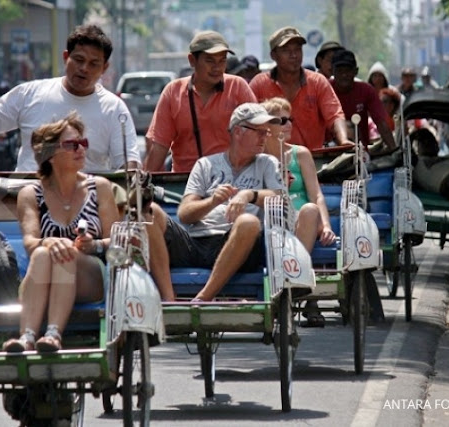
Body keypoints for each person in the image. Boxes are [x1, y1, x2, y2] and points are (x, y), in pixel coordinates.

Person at [0, 24, 141, 172]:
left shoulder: (115, 109)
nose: (84, 69)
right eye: (78, 59)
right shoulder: (30, 93)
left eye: (93, 64)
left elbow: (128, 163)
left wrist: (134, 179)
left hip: (87, 211)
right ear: (66, 58)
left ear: (104, 68)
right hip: (25, 200)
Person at [3, 113, 124, 352]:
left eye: (83, 143)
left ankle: (53, 334)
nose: (81, 149)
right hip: (43, 274)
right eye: (71, 145)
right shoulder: (31, 193)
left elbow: (116, 238)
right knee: (40, 253)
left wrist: (96, 244)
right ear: (49, 154)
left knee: (64, 251)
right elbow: (30, 241)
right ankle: (27, 337)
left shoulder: (99, 187)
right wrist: (48, 241)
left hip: (90, 275)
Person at [145, 103, 283, 301]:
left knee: (248, 222)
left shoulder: (267, 163)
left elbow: (280, 199)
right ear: (238, 131)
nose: (264, 137)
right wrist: (213, 201)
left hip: (237, 245)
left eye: (266, 132)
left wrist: (248, 195)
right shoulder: (206, 164)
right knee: (150, 212)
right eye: (259, 131)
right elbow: (185, 213)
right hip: (196, 241)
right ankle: (169, 300)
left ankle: (202, 299)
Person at [262, 97, 336, 327]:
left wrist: (326, 225)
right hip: (273, 221)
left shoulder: (300, 154)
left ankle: (296, 278)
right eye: (281, 120)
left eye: (289, 119)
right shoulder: (259, 158)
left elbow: (317, 194)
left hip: (302, 222)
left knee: (310, 209)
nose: (288, 125)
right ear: (267, 127)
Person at [144, 30, 257, 173]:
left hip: (232, 179)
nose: (217, 67)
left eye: (222, 60)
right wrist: (144, 187)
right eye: (210, 61)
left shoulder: (237, 87)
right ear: (192, 60)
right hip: (185, 181)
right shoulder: (173, 91)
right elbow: (160, 145)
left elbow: (259, 134)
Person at [249, 26, 352, 151]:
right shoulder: (259, 84)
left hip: (313, 159)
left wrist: (343, 140)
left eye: (298, 49)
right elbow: (248, 121)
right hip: (271, 160)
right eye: (286, 50)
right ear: (273, 55)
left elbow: (335, 115)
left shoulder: (317, 82)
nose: (294, 55)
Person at [330, 49, 397, 151]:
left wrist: (394, 150)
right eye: (339, 71)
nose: (344, 75)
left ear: (355, 71)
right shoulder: (324, 89)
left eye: (348, 70)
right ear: (332, 71)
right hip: (330, 152)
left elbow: (381, 123)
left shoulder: (367, 90)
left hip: (362, 153)